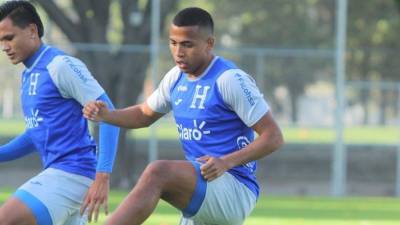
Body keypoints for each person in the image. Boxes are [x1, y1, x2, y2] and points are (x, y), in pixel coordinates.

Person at [84, 7, 284, 225]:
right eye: (173, 43)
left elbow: (273, 137)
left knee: (158, 172)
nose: (178, 51)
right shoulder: (176, 78)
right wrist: (107, 115)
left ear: (209, 44)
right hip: (202, 186)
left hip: (233, 186)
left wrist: (226, 162)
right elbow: (143, 114)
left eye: (187, 44)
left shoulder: (229, 79)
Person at [0, 1, 119, 225]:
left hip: (73, 172)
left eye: (9, 38)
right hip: (63, 173)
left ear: (32, 31)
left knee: (6, 219)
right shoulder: (28, 76)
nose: (4, 46)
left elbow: (109, 114)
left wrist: (103, 175)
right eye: (1, 41)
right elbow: (37, 133)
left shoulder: (59, 65)